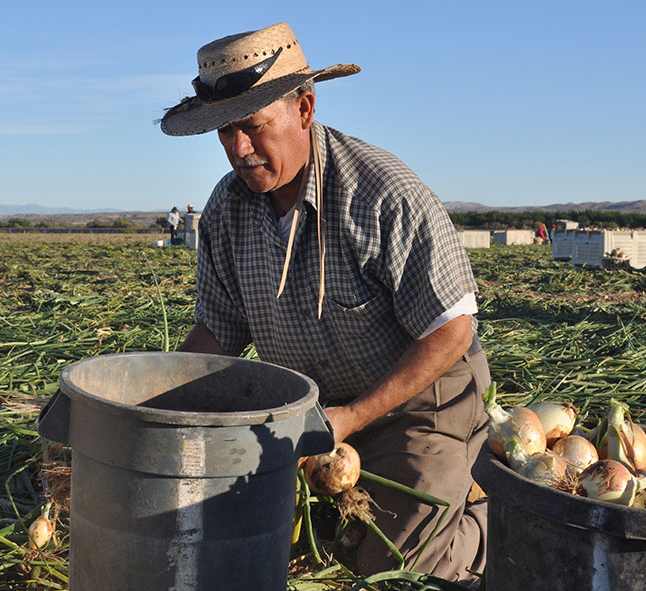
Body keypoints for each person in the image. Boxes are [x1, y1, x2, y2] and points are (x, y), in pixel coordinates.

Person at [160, 23, 489, 584]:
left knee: (396, 566)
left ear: (305, 108)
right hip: (309, 415)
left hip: (415, 406)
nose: (238, 149)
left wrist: (353, 418)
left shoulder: (383, 195)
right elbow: (217, 335)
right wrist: (151, 403)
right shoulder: (228, 209)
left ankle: (488, 511)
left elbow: (451, 330)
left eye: (253, 126)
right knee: (234, 539)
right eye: (224, 132)